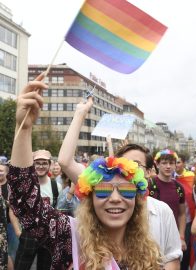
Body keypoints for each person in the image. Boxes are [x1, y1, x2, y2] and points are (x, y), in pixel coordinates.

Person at [7, 76, 163, 269]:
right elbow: (26, 202)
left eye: (126, 190)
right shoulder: (69, 238)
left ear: (137, 201)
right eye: (104, 190)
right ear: (90, 200)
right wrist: (24, 128)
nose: (115, 198)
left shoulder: (149, 254)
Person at [58, 96, 182, 269]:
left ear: (147, 172)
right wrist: (79, 115)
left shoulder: (161, 211)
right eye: (122, 164)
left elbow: (172, 257)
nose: (115, 198)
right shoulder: (104, 190)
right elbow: (65, 161)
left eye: (135, 166)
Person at [14, 148, 62, 270]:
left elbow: (59, 212)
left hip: (48, 236)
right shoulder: (25, 185)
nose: (41, 166)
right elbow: (12, 209)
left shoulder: (56, 186)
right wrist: (18, 232)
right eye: (37, 163)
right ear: (33, 164)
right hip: (28, 234)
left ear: (50, 165)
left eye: (44, 163)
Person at [148, 149, 186, 250]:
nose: (168, 166)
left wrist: (181, 237)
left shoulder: (179, 188)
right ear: (157, 164)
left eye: (171, 163)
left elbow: (182, 214)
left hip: (173, 236)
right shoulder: (149, 185)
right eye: (164, 163)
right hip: (152, 236)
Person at [175, 154, 196, 270]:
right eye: (175, 162)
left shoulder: (190, 177)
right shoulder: (169, 178)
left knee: (185, 251)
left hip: (187, 221)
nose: (176, 165)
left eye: (178, 162)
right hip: (172, 221)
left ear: (183, 163)